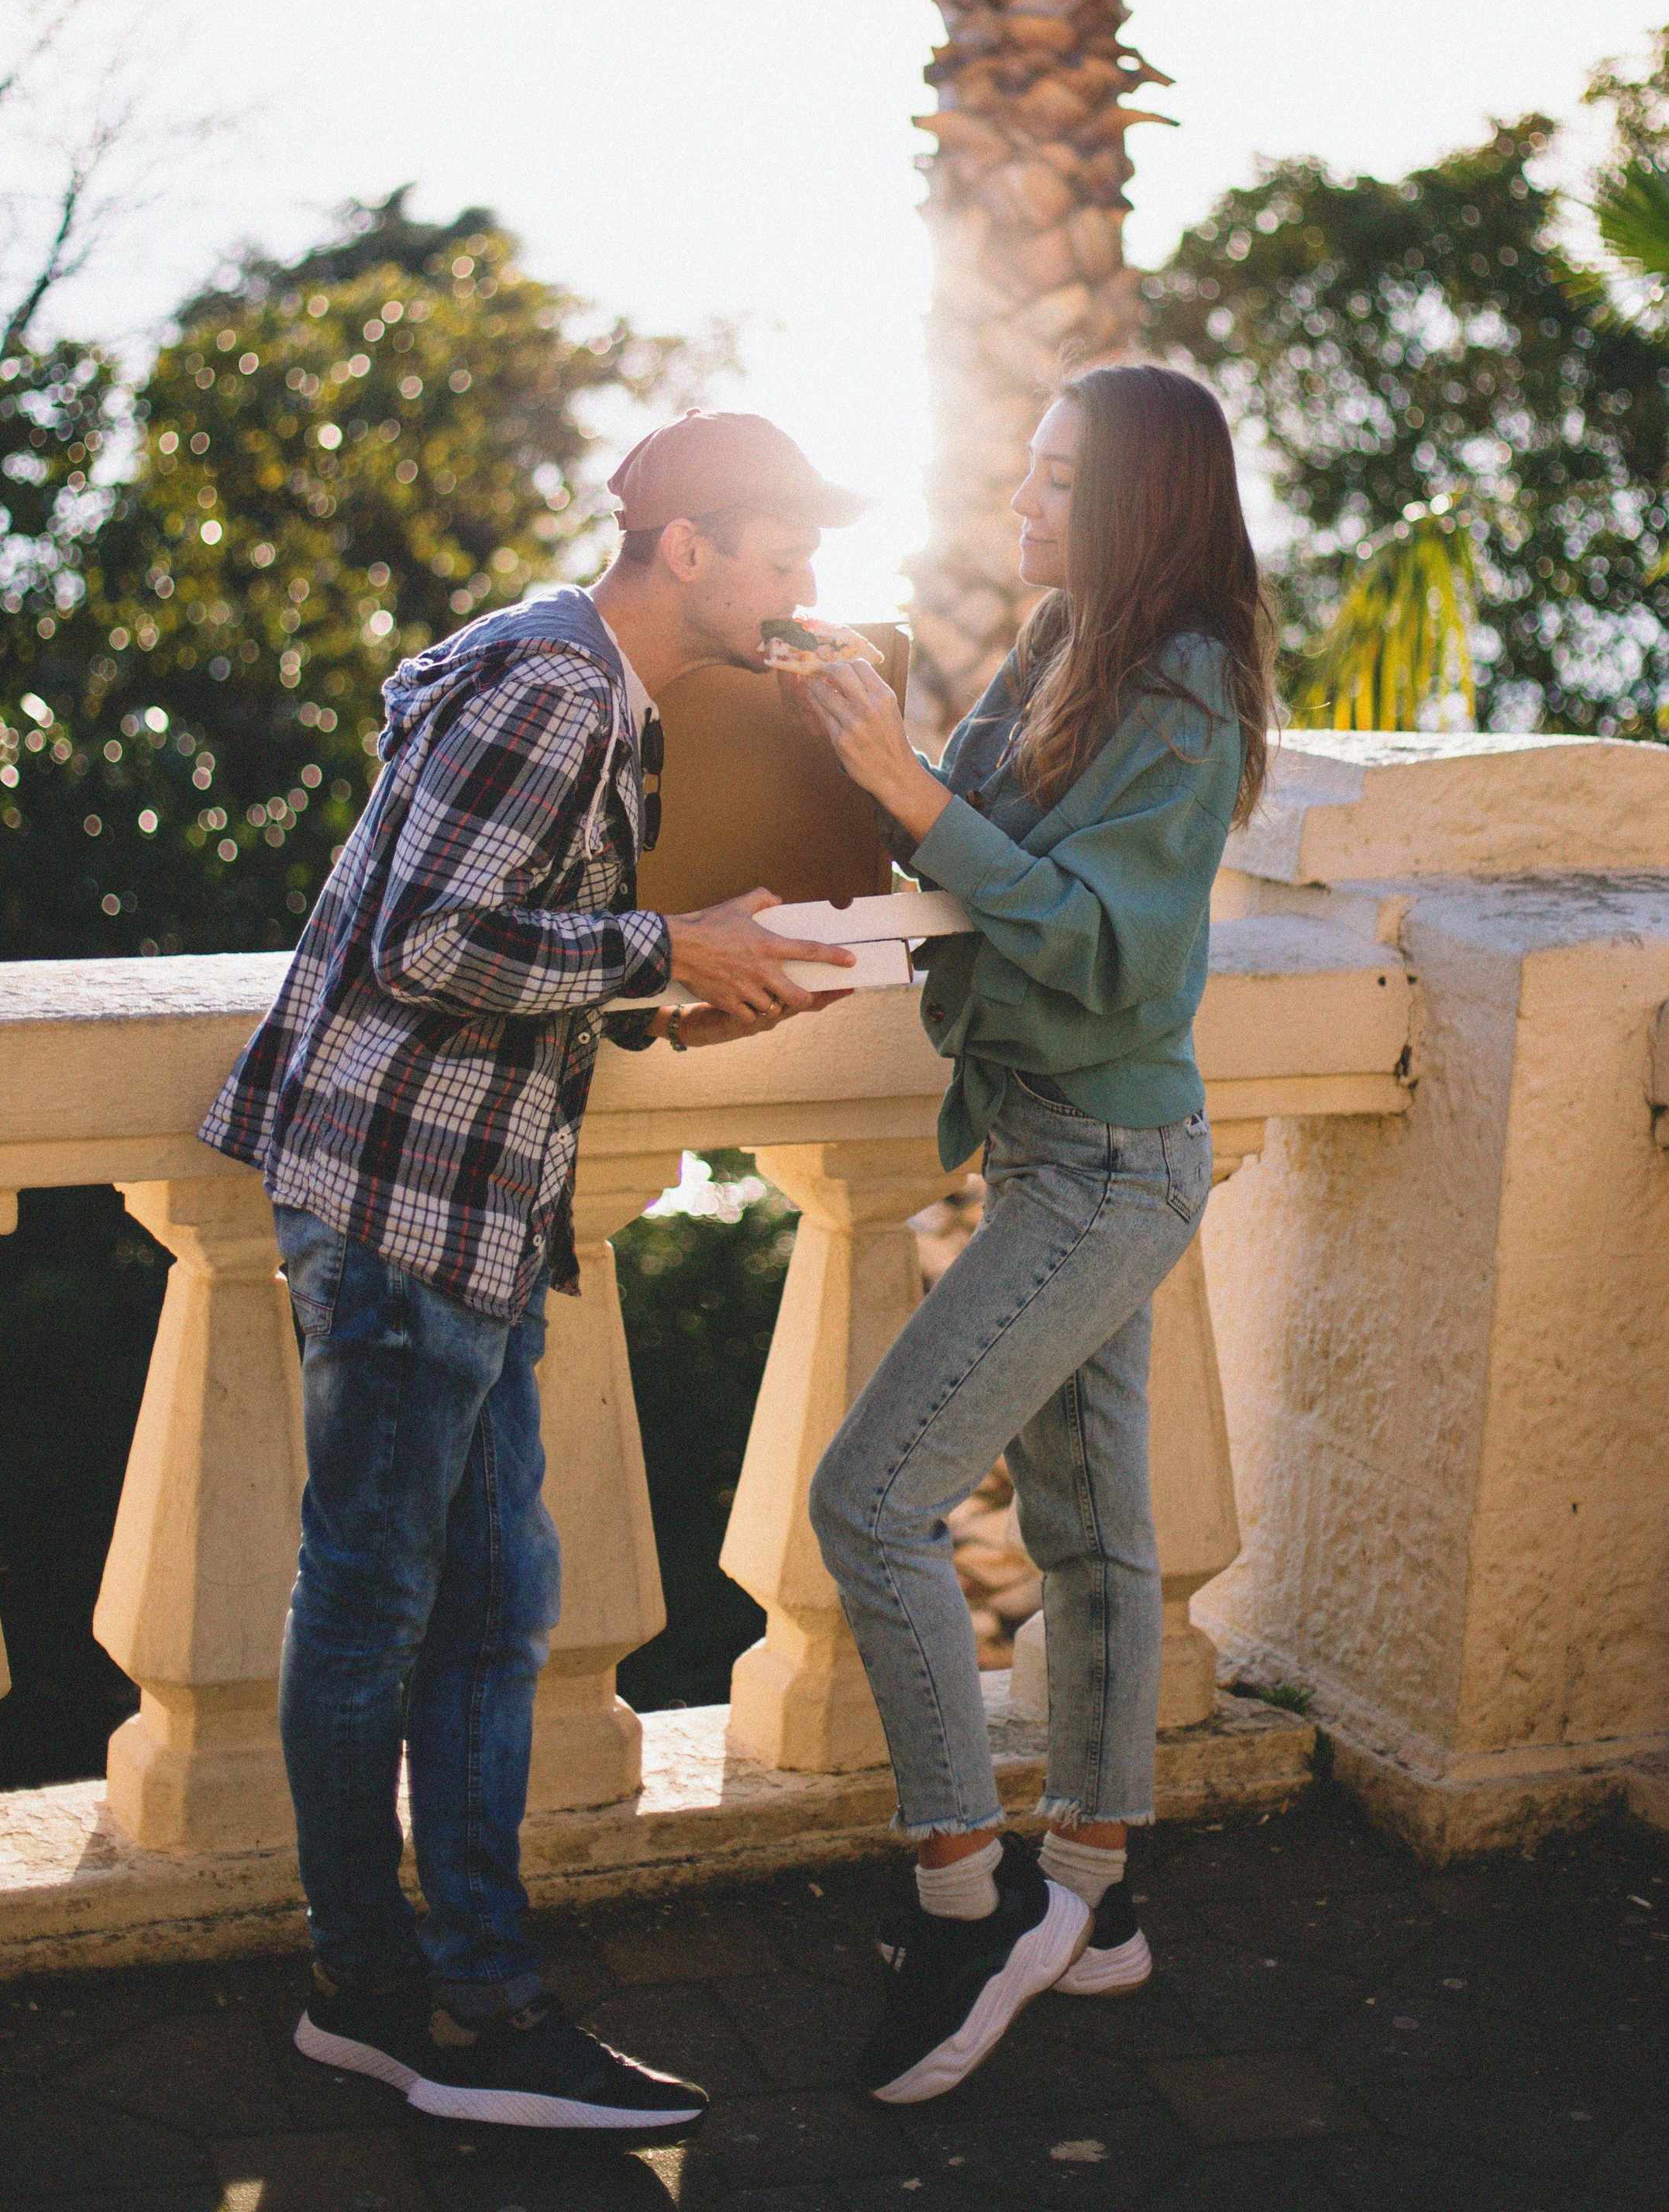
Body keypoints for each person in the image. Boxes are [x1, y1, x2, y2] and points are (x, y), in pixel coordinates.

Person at [198, 410, 864, 2135]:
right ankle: (411, 1999)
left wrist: (673, 995)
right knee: (385, 1612)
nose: (803, 592)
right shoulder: (560, 692)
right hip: (411, 1208)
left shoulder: (559, 670)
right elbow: (429, 937)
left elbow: (486, 942)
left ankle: (444, 1992)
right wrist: (670, 943)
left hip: (449, 1205)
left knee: (489, 1607)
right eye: (780, 556)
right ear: (686, 546)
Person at [796, 362, 1272, 2106]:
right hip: (1045, 1143)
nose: (1021, 503)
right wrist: (832, 785)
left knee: (870, 1497)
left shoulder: (1188, 690)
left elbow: (1103, 943)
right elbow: (953, 857)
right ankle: (1102, 1890)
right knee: (1086, 1531)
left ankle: (960, 1898)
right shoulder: (1055, 647)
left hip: (1111, 1164)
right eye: (1024, 471)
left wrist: (904, 787)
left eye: (1060, 482)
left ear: (1143, 504)